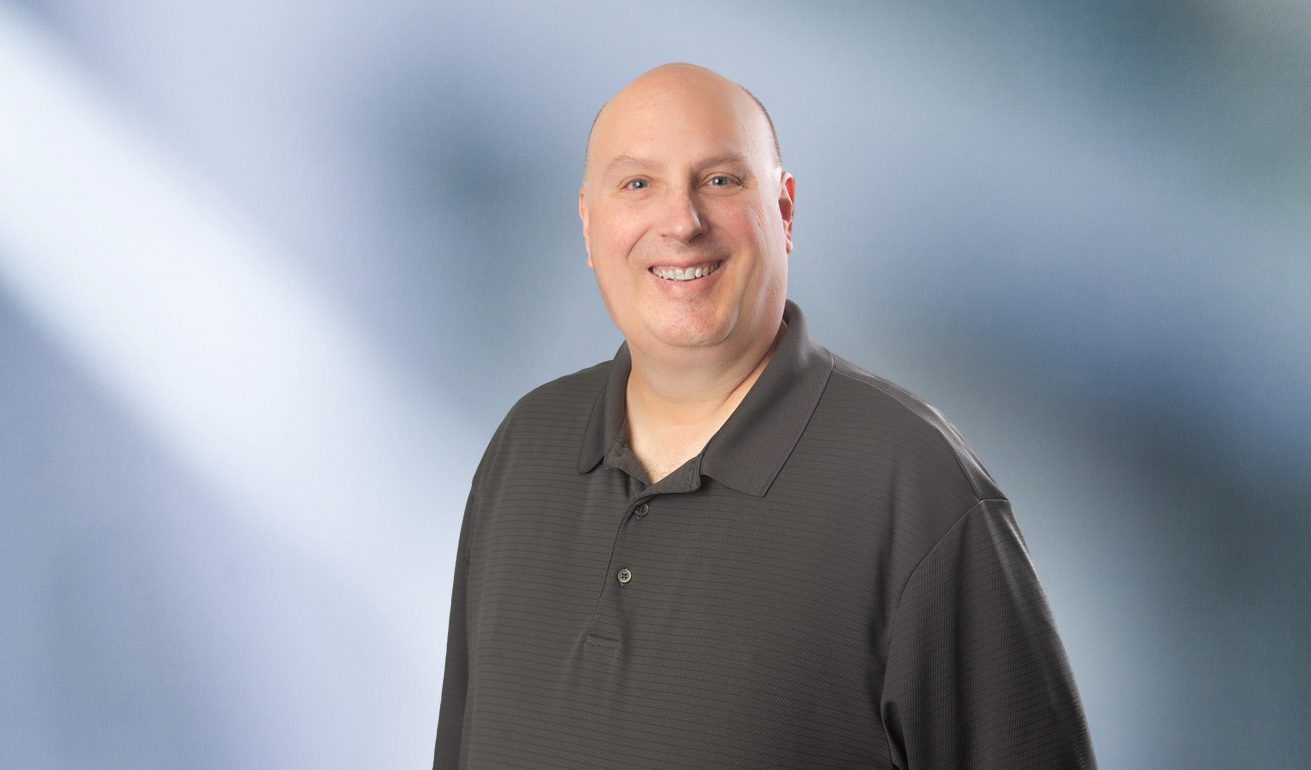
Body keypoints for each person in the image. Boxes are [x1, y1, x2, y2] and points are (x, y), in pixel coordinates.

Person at [432, 63, 1094, 769]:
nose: (681, 222)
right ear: (590, 225)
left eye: (721, 180)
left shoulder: (913, 486)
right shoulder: (525, 446)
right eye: (638, 185)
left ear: (783, 212)